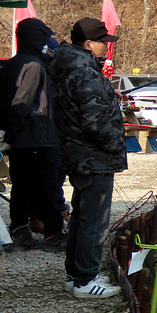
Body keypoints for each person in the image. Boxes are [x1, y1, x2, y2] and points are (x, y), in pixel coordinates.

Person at [50, 17, 126, 298]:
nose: (107, 46)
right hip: (93, 158)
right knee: (94, 221)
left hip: (78, 154)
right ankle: (85, 280)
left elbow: (84, 106)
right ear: (88, 44)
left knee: (82, 216)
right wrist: (116, 143)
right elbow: (95, 124)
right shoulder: (85, 74)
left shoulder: (71, 68)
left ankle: (76, 275)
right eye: (103, 42)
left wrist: (107, 94)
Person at [0, 18, 67, 251]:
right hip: (37, 139)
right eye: (43, 38)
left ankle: (20, 232)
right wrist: (11, 134)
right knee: (48, 187)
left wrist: (2, 131)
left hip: (22, 140)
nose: (47, 43)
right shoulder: (33, 66)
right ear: (35, 39)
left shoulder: (11, 66)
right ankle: (54, 235)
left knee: (22, 188)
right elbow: (21, 104)